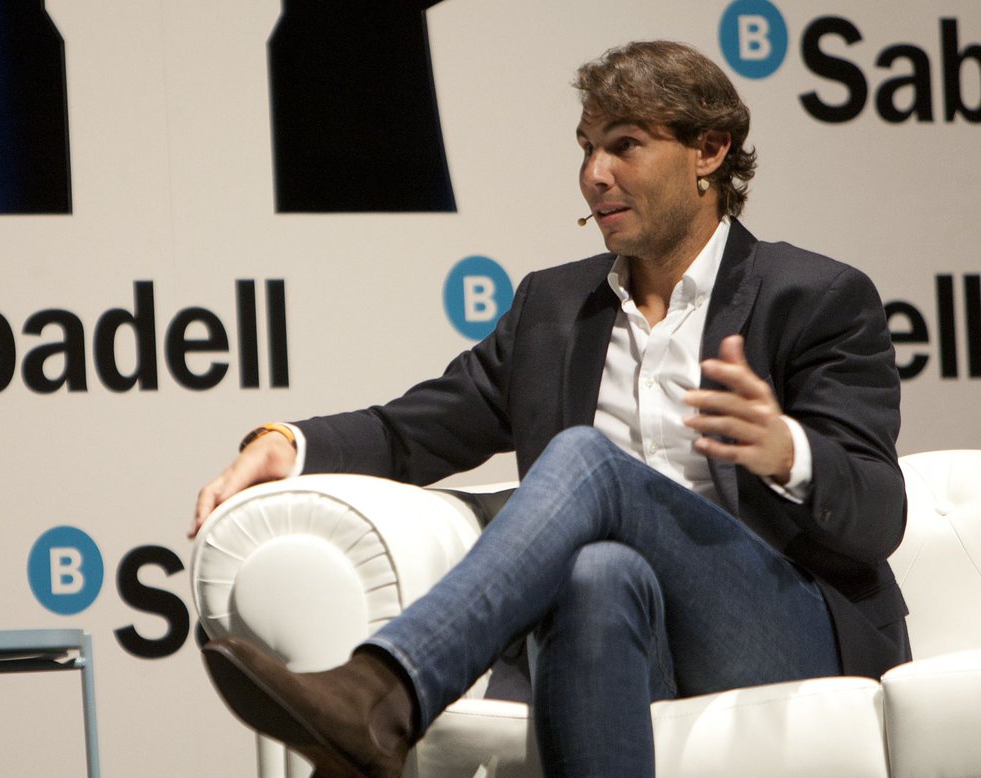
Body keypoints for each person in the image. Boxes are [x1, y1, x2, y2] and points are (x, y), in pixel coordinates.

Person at [190, 40, 909, 777]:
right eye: (588, 149)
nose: (595, 175)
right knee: (592, 573)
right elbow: (414, 430)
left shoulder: (814, 297)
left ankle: (385, 689)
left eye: (625, 145)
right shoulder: (555, 307)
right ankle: (380, 700)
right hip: (629, 622)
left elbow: (879, 516)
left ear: (710, 151)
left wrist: (789, 452)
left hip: (780, 626)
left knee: (586, 460)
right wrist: (287, 443)